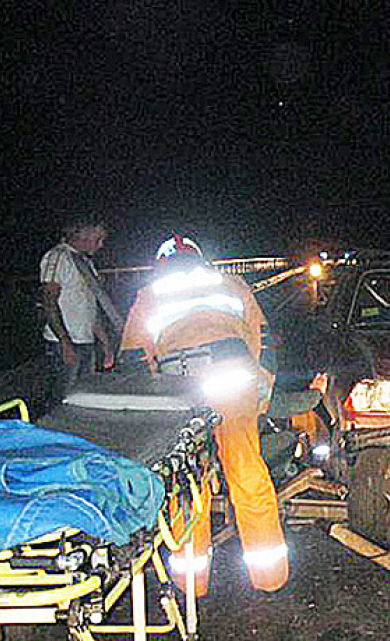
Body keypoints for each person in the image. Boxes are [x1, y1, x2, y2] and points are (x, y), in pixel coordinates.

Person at [117, 233, 288, 596]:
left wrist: (150, 409)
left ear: (161, 263)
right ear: (199, 258)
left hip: (182, 393)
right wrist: (262, 393)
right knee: (247, 472)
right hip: (234, 386)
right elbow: (263, 341)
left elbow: (134, 357)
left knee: (186, 482)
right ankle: (270, 578)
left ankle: (192, 583)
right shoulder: (231, 283)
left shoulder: (150, 296)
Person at [39, 216, 120, 401]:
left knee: (84, 397)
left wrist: (106, 343)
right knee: (63, 398)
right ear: (82, 234)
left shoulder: (86, 263)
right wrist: (65, 343)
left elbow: (90, 307)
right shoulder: (58, 257)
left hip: (86, 343)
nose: (101, 245)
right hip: (65, 343)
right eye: (98, 239)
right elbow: (49, 302)